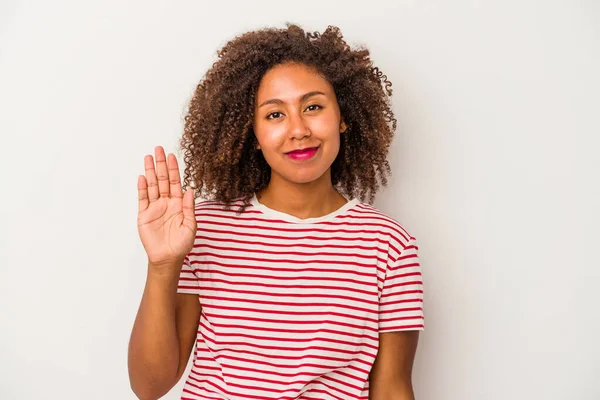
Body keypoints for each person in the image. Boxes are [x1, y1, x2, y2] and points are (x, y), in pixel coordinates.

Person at [128, 24, 425, 400]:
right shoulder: (204, 228)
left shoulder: (388, 246)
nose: (298, 130)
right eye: (274, 115)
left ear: (343, 116)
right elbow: (149, 386)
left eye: (313, 107)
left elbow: (393, 387)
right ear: (251, 133)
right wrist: (162, 265)